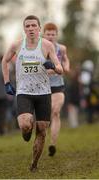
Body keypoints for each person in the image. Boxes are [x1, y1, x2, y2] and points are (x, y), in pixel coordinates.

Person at [2, 15, 63, 171]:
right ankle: (25, 131)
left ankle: (34, 164)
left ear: (39, 28)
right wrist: (7, 82)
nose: (30, 29)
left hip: (43, 93)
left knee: (42, 130)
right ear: (24, 29)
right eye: (27, 26)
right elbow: (4, 61)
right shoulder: (16, 45)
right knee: (25, 124)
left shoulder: (47, 46)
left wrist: (54, 66)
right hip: (24, 92)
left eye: (33, 26)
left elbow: (60, 68)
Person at [43, 23, 70, 156]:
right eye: (48, 34)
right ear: (44, 34)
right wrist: (51, 70)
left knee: (56, 112)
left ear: (56, 35)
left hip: (58, 86)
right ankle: (42, 139)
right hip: (42, 86)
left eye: (53, 34)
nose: (51, 36)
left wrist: (66, 66)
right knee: (44, 117)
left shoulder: (62, 48)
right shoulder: (39, 49)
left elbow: (65, 60)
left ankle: (52, 144)